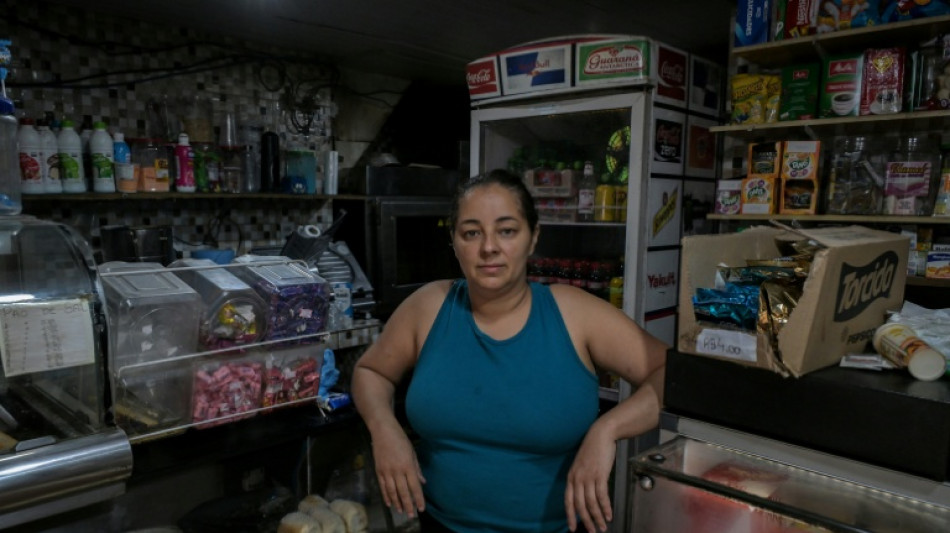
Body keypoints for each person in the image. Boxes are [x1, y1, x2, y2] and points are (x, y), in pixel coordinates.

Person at [351, 169, 668, 533]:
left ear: (533, 237)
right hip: (439, 524)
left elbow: (673, 374)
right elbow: (371, 372)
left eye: (507, 230)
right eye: (472, 233)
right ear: (454, 242)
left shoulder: (575, 313)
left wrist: (607, 429)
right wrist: (384, 428)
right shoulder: (429, 306)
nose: (489, 247)